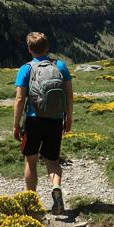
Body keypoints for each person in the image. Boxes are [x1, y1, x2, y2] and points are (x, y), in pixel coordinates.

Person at [13, 32, 73, 214]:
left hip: (33, 120)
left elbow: (19, 98)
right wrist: (68, 117)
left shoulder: (26, 69)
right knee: (52, 161)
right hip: (55, 120)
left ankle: (30, 202)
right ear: (47, 48)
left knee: (30, 160)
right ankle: (56, 187)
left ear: (29, 49)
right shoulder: (60, 65)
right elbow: (69, 94)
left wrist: (16, 124)